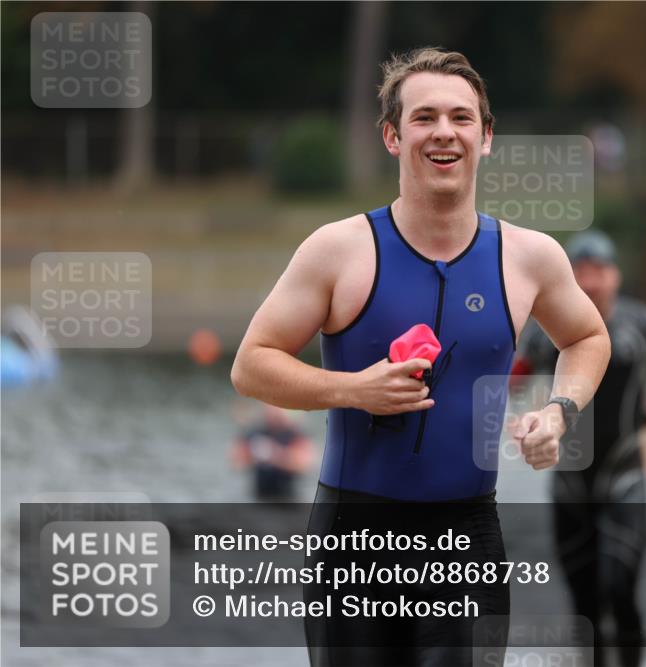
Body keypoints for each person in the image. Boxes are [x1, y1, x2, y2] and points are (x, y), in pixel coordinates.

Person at [231, 48, 611, 666]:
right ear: (391, 135)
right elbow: (251, 365)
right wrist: (353, 389)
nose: (443, 133)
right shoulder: (338, 250)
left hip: (467, 541)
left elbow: (589, 338)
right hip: (354, 543)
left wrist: (560, 410)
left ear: (486, 138)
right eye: (424, 117)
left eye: (462, 119)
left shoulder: (529, 256)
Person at [511, 230, 646, 667]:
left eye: (598, 271)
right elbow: (505, 383)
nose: (590, 281)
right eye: (580, 271)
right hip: (571, 482)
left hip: (624, 476)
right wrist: (515, 420)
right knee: (584, 606)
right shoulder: (546, 335)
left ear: (616, 276)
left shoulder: (642, 324)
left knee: (619, 590)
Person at [230, 403, 315, 500]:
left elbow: (304, 464)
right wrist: (251, 454)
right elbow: (236, 461)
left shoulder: (294, 433)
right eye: (270, 407)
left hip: (288, 497)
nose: (273, 411)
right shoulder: (256, 431)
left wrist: (274, 454)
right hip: (260, 495)